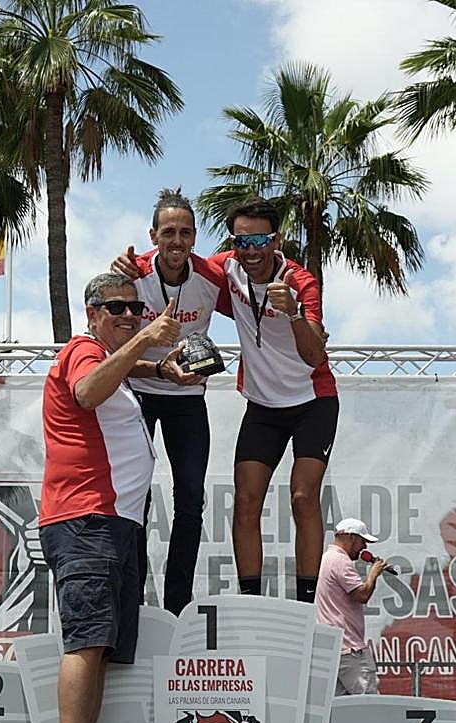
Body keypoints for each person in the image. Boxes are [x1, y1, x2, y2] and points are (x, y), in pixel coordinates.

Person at [116, 197, 335, 602]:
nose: (251, 251)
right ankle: (248, 601)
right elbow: (170, 260)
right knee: (243, 500)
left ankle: (305, 603)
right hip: (254, 405)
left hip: (309, 399)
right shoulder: (222, 271)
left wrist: (294, 313)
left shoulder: (298, 280)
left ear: (276, 241)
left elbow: (314, 355)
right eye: (241, 242)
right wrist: (129, 266)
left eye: (260, 241)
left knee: (302, 497)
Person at [39, 272, 178, 723]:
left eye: (135, 309)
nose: (127, 315)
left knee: (103, 651)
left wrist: (159, 367)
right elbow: (86, 390)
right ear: (91, 313)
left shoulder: (110, 360)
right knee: (86, 643)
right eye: (115, 307)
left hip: (116, 522)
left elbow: (116, 372)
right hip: (85, 519)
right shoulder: (82, 350)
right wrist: (146, 341)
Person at [123, 188, 220, 615]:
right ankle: (134, 599)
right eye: (168, 233)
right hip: (140, 393)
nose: (176, 241)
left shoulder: (211, 277)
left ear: (194, 237)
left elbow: (253, 291)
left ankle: (178, 603)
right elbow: (107, 338)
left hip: (187, 397)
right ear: (153, 236)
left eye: (184, 233)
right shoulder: (132, 276)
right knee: (135, 498)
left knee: (191, 499)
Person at [315, 518, 388, 695]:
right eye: (362, 541)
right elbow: (362, 594)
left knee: (340, 705)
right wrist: (373, 574)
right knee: (367, 702)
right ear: (351, 537)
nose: (364, 547)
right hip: (349, 649)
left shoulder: (326, 559)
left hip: (331, 648)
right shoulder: (340, 561)